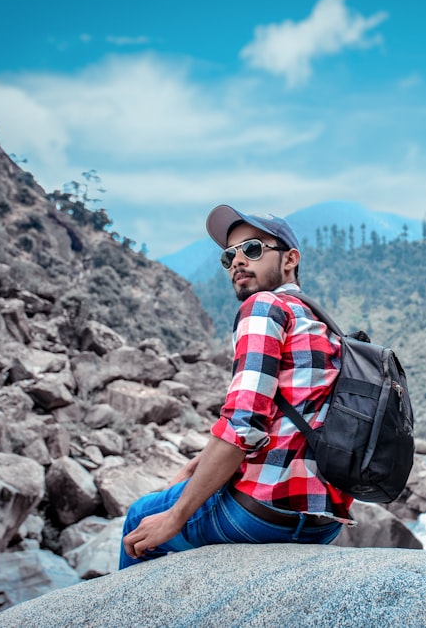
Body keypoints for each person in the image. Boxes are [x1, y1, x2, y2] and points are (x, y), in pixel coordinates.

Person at [119, 204, 353, 567]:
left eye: (253, 249)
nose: (238, 261)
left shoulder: (263, 307)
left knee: (140, 518)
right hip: (322, 522)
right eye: (229, 256)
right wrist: (199, 465)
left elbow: (243, 425)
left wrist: (176, 516)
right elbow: (289, 421)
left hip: (263, 513)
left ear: (290, 259)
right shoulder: (319, 322)